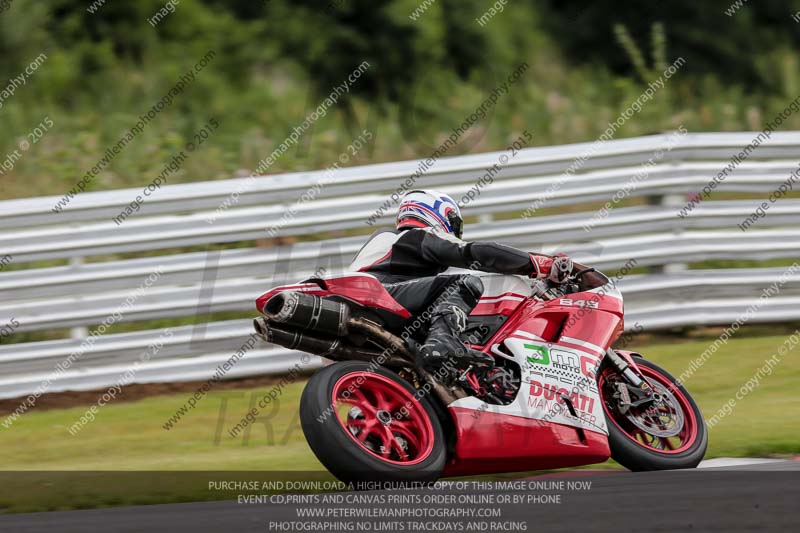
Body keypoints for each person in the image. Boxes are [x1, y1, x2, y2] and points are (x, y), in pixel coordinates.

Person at [349, 189, 573, 369]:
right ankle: (442, 341)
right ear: (437, 214)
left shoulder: (386, 244)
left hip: (362, 309)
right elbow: (477, 253)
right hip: (377, 297)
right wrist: (537, 264)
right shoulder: (415, 235)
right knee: (463, 283)